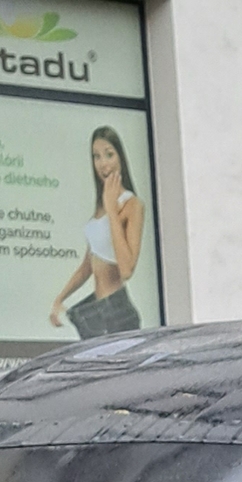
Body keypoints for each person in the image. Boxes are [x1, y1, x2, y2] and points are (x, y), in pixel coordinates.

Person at [51, 127, 146, 338]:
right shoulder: (101, 205)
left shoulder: (131, 205)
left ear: (121, 157)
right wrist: (60, 298)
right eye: (96, 156)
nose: (103, 163)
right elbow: (88, 265)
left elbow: (127, 269)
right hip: (96, 311)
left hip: (117, 312)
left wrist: (112, 211)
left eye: (109, 154)